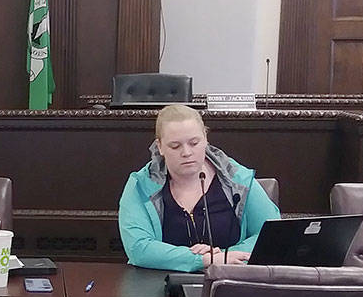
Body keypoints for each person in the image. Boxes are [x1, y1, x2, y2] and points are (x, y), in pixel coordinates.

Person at [119, 103, 279, 271]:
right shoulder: (140, 185)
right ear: (160, 147)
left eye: (194, 143)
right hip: (161, 284)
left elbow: (273, 236)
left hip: (231, 279)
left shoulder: (238, 179)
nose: (187, 152)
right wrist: (202, 259)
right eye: (175, 146)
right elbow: (138, 248)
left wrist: (223, 257)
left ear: (205, 138)